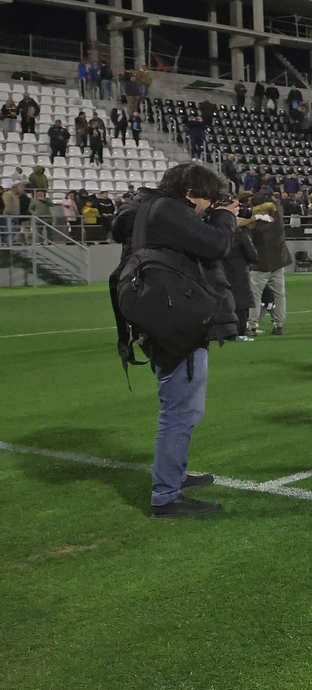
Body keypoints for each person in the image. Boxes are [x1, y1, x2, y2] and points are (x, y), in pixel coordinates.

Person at [110, 163, 237, 518]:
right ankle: (166, 495)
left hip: (163, 317)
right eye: (206, 199)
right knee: (181, 410)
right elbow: (217, 245)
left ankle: (174, 474)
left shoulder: (149, 209)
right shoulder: (167, 210)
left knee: (181, 406)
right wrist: (226, 217)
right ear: (189, 193)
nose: (207, 207)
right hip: (176, 323)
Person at [243, 202, 289, 336]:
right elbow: (278, 207)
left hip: (260, 266)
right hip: (278, 263)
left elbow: (239, 225)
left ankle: (251, 325)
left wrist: (254, 216)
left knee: (255, 296)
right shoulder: (278, 221)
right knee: (279, 295)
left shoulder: (254, 227)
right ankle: (278, 325)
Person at [223, 204, 258, 341]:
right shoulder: (241, 235)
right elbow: (253, 256)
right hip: (239, 272)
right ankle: (239, 333)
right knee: (242, 303)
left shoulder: (219, 233)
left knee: (225, 301)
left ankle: (225, 332)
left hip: (220, 272)